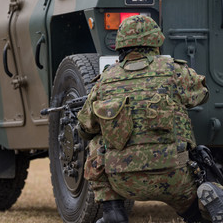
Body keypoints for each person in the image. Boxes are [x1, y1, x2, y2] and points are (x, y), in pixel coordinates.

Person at [77, 15, 223, 223]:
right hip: (173, 173)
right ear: (156, 41)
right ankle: (203, 208)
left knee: (95, 143)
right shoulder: (173, 69)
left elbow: (84, 128)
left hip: (121, 178)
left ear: (120, 44)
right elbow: (201, 94)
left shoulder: (105, 81)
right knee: (198, 169)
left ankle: (113, 211)